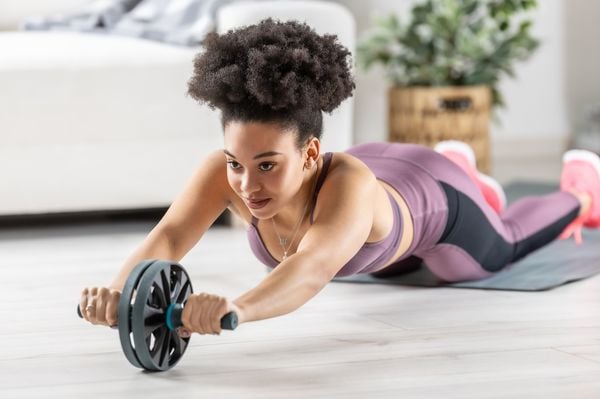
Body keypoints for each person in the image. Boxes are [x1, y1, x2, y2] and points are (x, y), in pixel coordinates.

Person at [79, 18, 600, 338]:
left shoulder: (346, 184)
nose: (245, 184)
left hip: (433, 197)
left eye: (267, 165)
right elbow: (168, 237)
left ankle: (578, 188)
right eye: (237, 163)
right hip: (387, 192)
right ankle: (467, 168)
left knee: (491, 253)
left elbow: (309, 269)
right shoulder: (226, 171)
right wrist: (119, 294)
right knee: (396, 271)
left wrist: (236, 307)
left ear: (309, 154)